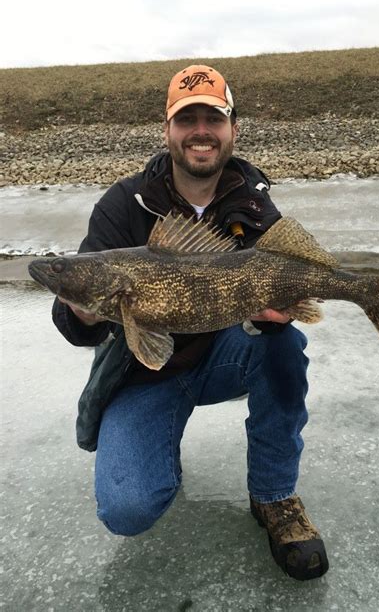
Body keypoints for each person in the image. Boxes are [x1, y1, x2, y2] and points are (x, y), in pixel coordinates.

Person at [52, 65, 329, 580]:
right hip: (144, 374)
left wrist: (273, 317)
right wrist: (79, 309)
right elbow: (75, 325)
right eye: (187, 119)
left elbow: (275, 294)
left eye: (213, 118)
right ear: (168, 130)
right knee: (127, 508)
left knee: (284, 344)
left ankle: (274, 496)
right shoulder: (124, 204)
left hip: (225, 358)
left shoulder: (253, 202)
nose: (201, 131)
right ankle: (158, 456)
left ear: (232, 130)